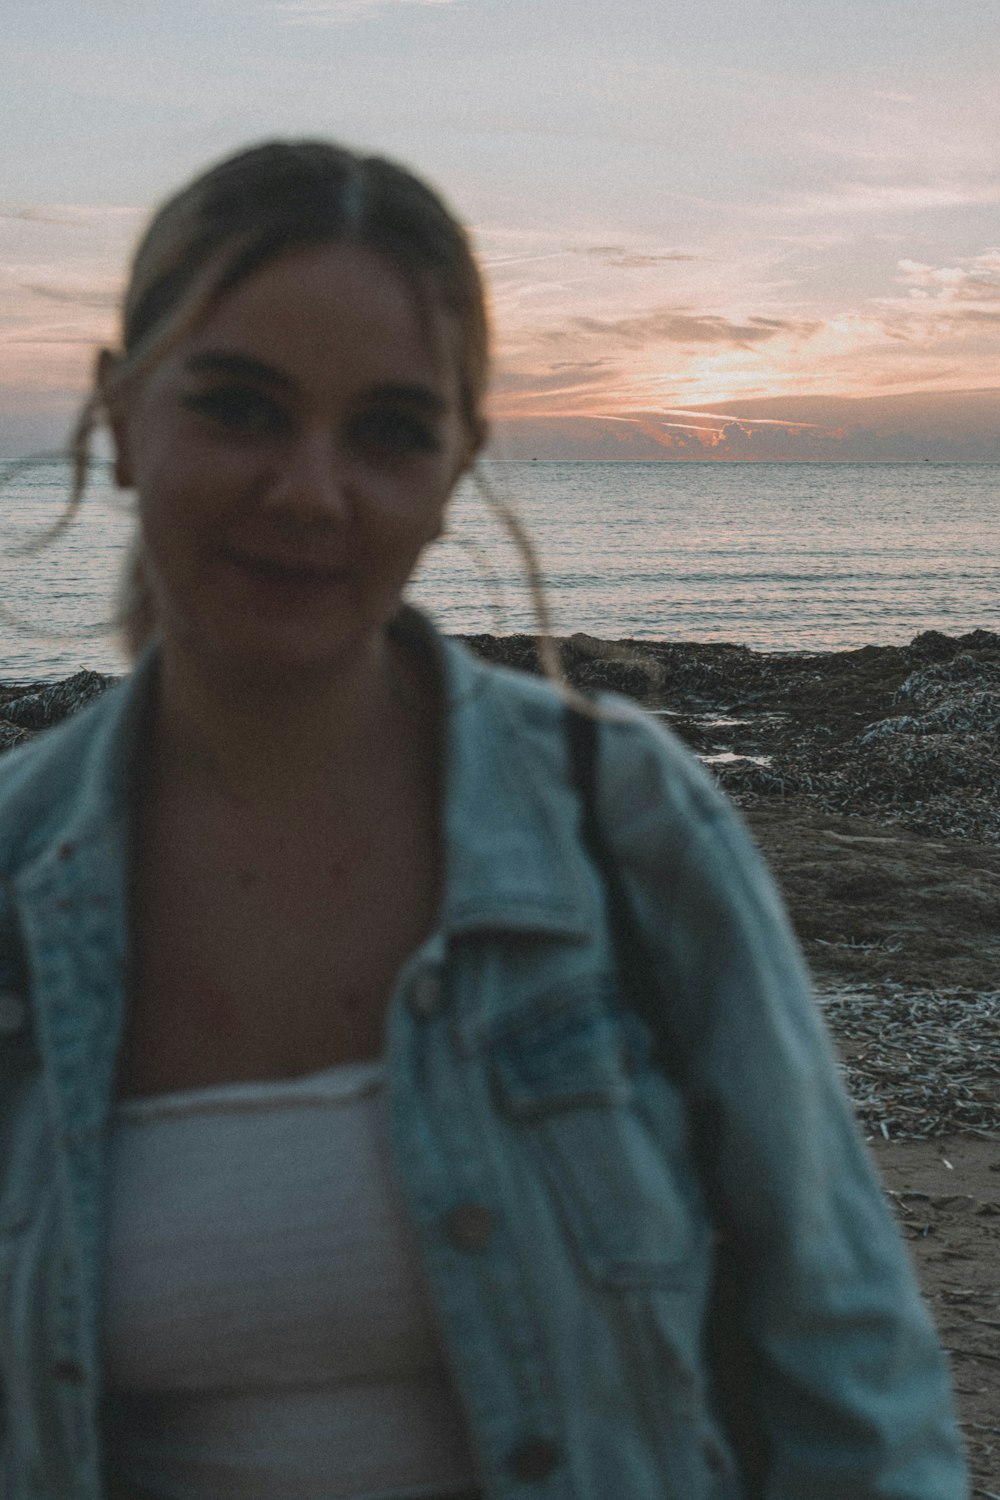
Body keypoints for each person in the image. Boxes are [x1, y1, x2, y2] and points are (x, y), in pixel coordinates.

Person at [0, 140, 966, 1500]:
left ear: (459, 464)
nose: (311, 489)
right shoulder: (12, 876)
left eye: (389, 429)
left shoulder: (618, 822)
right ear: (117, 413)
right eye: (239, 406)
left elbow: (855, 1378)